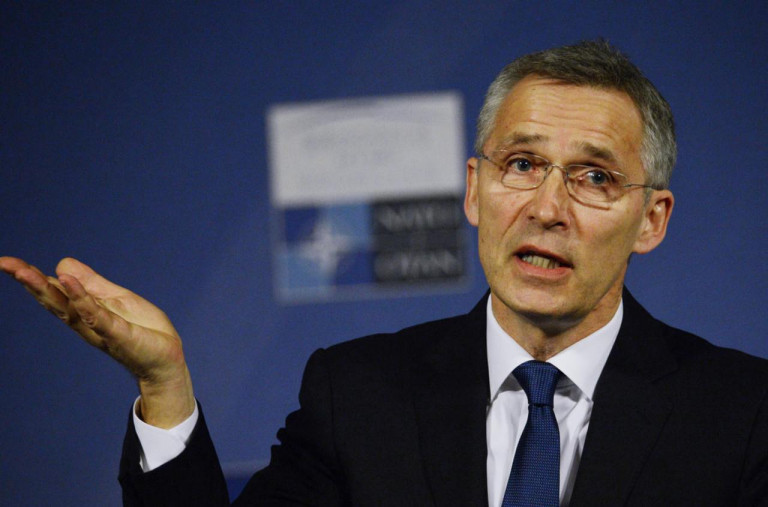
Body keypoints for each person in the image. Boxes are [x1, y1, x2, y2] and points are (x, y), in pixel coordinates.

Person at [2, 40, 767, 506]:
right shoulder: (358, 395)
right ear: (474, 190)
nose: (546, 206)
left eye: (594, 177)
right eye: (522, 163)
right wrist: (166, 387)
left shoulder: (743, 415)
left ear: (652, 219)